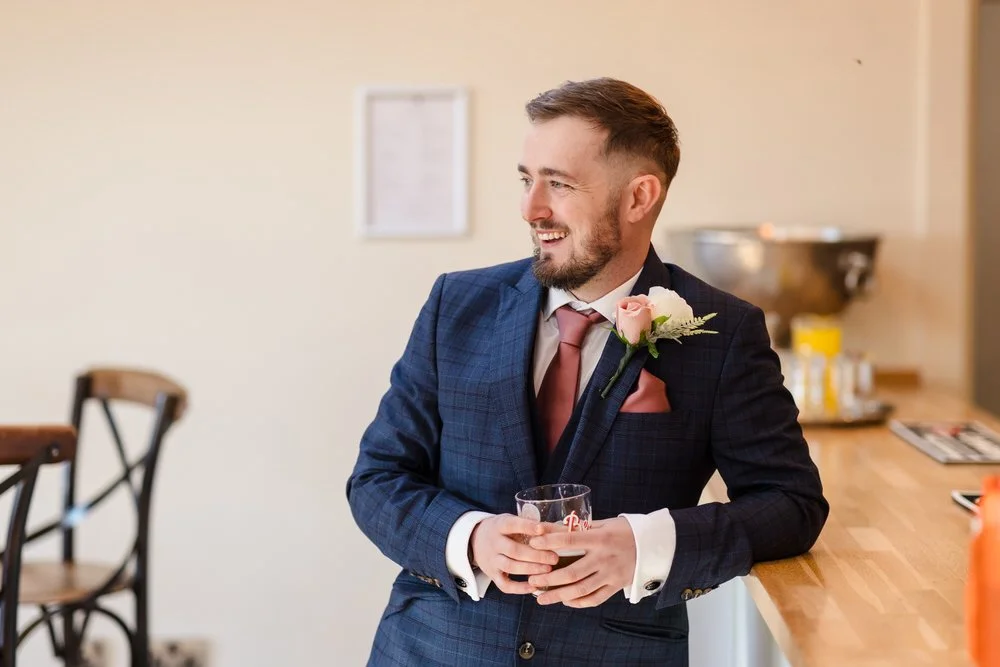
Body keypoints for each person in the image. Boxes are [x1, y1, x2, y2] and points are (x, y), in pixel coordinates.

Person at [346, 77, 829, 666]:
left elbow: (790, 503)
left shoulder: (723, 332)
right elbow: (378, 479)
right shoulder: (456, 305)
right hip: (430, 650)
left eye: (559, 183)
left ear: (638, 197)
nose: (531, 209)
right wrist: (469, 537)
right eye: (526, 180)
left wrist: (644, 546)